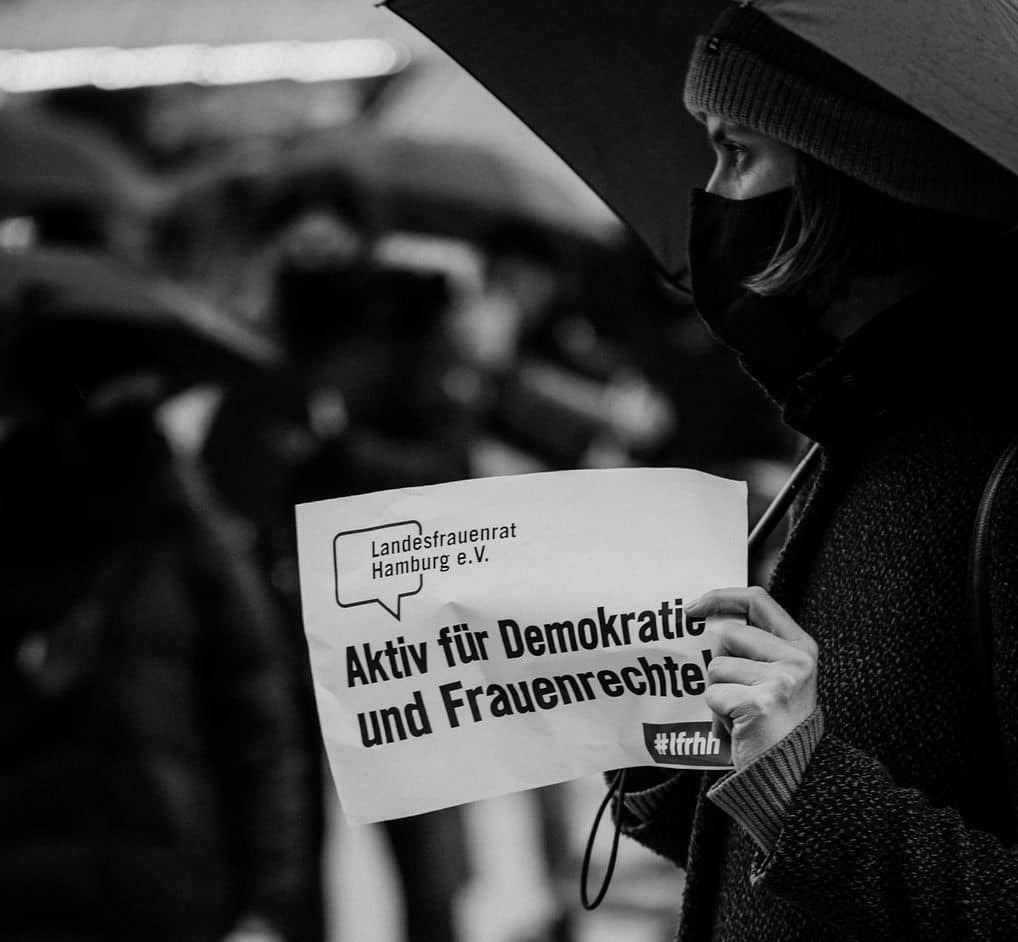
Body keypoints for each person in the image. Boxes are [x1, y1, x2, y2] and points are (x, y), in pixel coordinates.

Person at [611, 5, 1018, 941]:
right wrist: (667, 741)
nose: (710, 197)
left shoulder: (998, 469)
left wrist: (799, 780)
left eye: (737, 153)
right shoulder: (857, 433)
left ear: (861, 184)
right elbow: (776, 862)